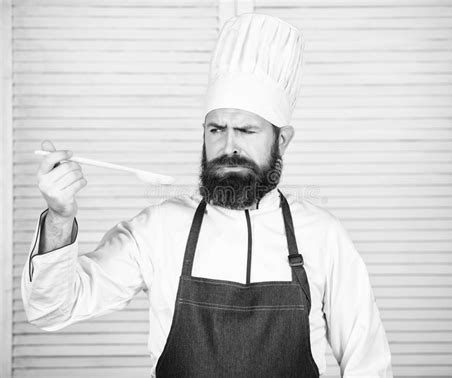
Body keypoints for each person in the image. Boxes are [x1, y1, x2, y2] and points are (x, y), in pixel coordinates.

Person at [21, 13, 393, 378]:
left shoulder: (322, 235)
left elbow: (369, 364)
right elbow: (52, 309)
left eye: (247, 130)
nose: (229, 146)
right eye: (217, 129)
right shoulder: (159, 229)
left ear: (282, 140)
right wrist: (59, 216)